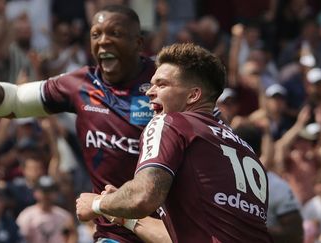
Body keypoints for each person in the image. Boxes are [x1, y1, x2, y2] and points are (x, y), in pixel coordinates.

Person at [0, 4, 155, 242]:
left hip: (167, 228)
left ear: (138, 43)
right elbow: (17, 101)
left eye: (114, 33)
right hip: (114, 232)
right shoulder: (81, 84)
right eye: (96, 34)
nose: (103, 41)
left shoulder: (163, 81)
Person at [76, 43, 272, 242]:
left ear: (193, 95)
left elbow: (143, 196)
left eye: (161, 85)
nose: (149, 92)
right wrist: (122, 214)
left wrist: (97, 204)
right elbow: (180, 237)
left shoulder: (170, 122)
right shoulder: (244, 149)